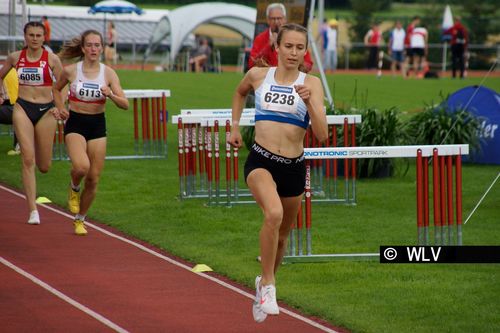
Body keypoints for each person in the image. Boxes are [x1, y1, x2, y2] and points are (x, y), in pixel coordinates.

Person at [229, 23, 328, 323]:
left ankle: (262, 282)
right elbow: (239, 92)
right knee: (272, 215)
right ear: (277, 47)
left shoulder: (311, 83)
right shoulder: (260, 75)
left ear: (305, 51)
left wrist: (310, 101)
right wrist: (234, 126)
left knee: (283, 237)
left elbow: (322, 135)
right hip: (261, 161)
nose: (294, 52)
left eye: (300, 47)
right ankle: (270, 286)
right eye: (289, 46)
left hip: (294, 168)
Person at [54, 30, 129, 235]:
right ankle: (73, 186)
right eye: (89, 45)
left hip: (97, 125)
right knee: (81, 167)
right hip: (76, 123)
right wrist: (61, 107)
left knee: (94, 178)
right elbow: (56, 88)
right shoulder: (71, 71)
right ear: (83, 48)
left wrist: (111, 94)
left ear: (102, 48)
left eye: (97, 45)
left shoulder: (109, 73)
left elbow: (125, 104)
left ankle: (80, 219)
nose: (93, 49)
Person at [0, 21, 63, 225]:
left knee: (43, 166)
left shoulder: (52, 59)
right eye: (31, 35)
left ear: (44, 37)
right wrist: (3, 92)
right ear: (25, 37)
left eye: (38, 35)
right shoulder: (15, 57)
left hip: (46, 111)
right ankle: (33, 210)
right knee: (28, 159)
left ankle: (39, 146)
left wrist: (60, 107)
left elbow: (63, 86)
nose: (34, 39)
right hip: (22, 108)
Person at [248, 3, 313, 73]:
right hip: (266, 79)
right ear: (268, 20)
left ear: (285, 19)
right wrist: (268, 46)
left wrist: (299, 67)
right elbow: (251, 64)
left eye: (279, 18)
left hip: (290, 78)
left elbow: (308, 64)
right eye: (273, 18)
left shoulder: (294, 37)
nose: (276, 22)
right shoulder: (260, 38)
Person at [0, 68, 20, 155]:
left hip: (15, 107)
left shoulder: (6, 72)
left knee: (19, 118)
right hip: (18, 106)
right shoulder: (14, 71)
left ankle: (19, 145)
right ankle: (19, 145)